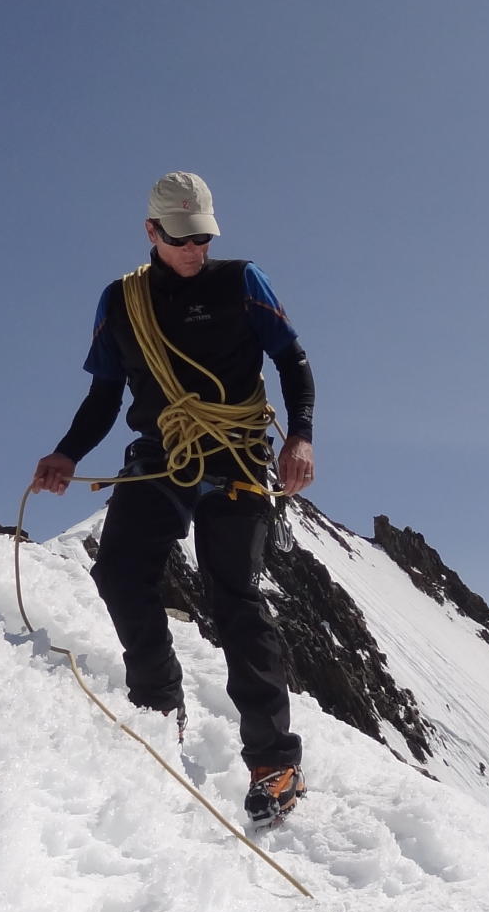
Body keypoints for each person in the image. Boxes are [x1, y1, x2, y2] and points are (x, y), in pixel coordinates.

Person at [31, 171, 316, 824]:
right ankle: (159, 704)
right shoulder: (121, 301)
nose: (195, 250)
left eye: (203, 238)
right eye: (182, 238)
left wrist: (300, 436)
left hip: (237, 453)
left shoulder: (242, 281)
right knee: (119, 570)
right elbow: (106, 393)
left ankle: (275, 762)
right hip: (162, 454)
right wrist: (67, 453)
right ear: (152, 231)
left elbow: (292, 361)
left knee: (232, 591)